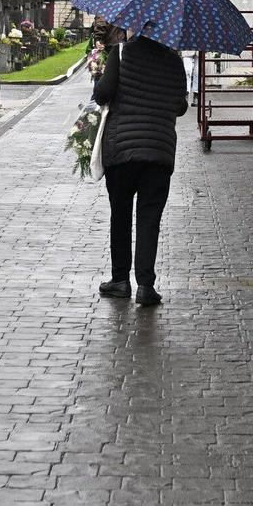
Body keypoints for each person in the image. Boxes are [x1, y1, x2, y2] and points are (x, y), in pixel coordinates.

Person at [90, 19, 187, 307]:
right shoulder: (174, 61)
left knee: (120, 214)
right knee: (149, 217)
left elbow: (103, 94)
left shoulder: (121, 52)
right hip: (159, 151)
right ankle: (146, 285)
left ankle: (120, 280)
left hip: (121, 151)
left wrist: (99, 76)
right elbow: (180, 107)